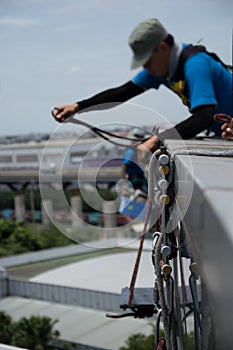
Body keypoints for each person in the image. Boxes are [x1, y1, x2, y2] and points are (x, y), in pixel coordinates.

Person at [52, 18, 233, 162]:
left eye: (146, 61)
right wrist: (77, 106)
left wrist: (156, 140)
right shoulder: (164, 68)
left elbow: (204, 117)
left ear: (162, 48)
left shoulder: (196, 65)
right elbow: (122, 92)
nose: (145, 68)